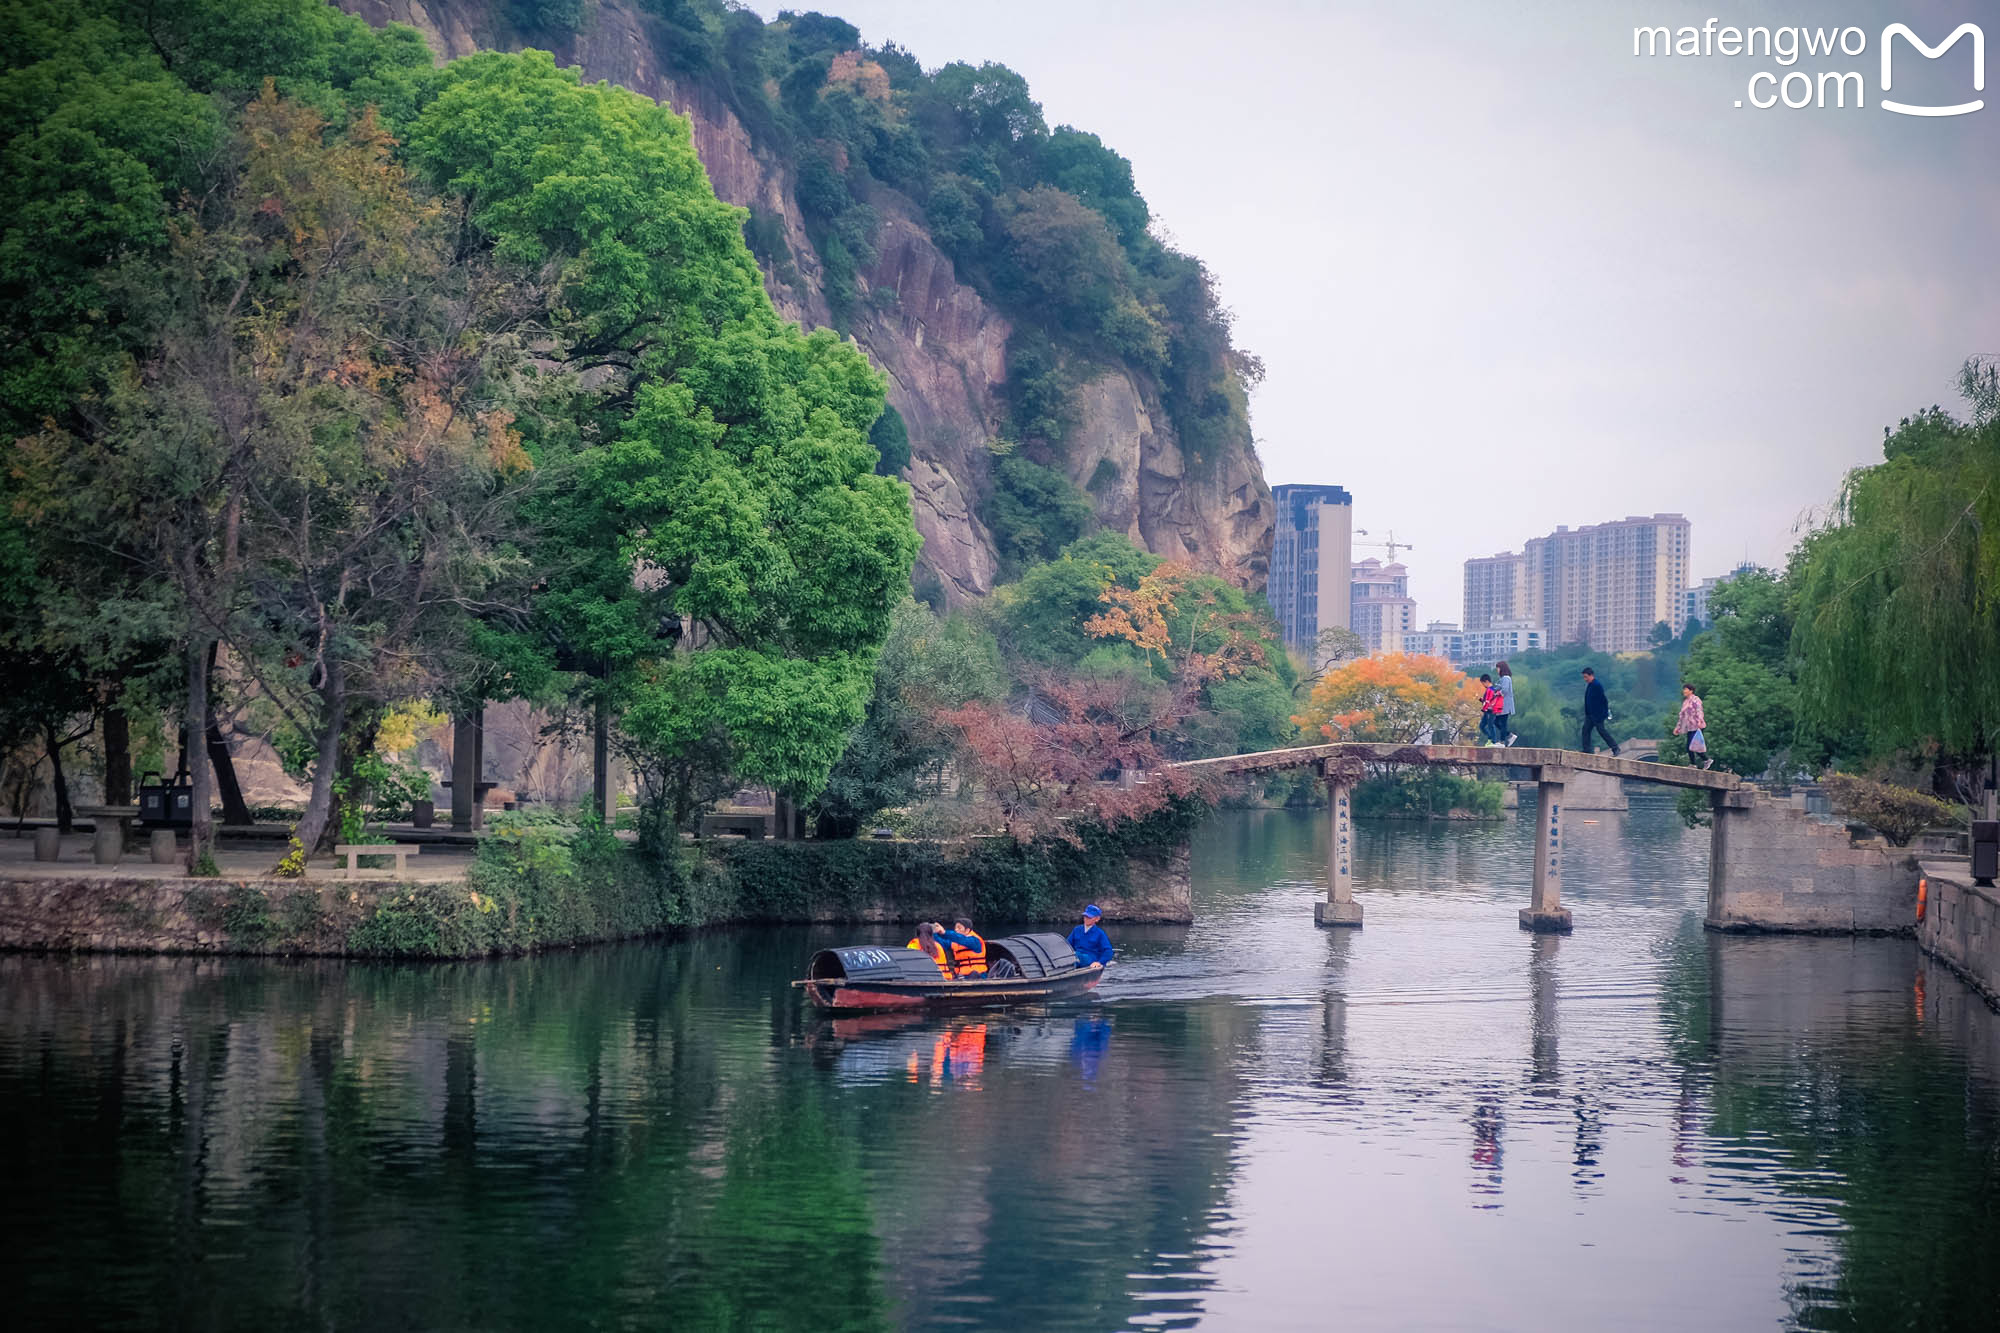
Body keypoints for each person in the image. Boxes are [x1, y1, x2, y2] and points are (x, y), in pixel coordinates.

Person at [907, 921, 985, 977]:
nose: (956, 930)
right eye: (955, 928)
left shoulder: (975, 941)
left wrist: (944, 933)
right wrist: (933, 933)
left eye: (959, 928)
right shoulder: (955, 943)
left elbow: (961, 939)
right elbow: (942, 943)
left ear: (967, 930)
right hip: (961, 975)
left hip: (978, 975)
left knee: (973, 975)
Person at [1578, 667, 1619, 756]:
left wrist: (1602, 714)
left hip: (1597, 715)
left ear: (1591, 675)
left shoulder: (1597, 685)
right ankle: (1587, 750)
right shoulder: (1590, 685)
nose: (1585, 679)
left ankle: (1615, 748)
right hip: (1590, 715)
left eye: (1586, 677)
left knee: (1602, 731)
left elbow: (1604, 700)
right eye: (1584, 677)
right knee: (1585, 730)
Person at [1675, 683, 1712, 769]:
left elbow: (1699, 711)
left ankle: (1701, 761)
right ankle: (1701, 761)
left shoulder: (1696, 700)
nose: (1684, 691)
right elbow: (1682, 716)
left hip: (1697, 726)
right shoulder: (1685, 702)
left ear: (1691, 691)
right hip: (1690, 727)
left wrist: (1700, 721)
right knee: (1689, 747)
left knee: (1692, 746)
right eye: (1684, 689)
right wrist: (1678, 727)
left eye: (1686, 689)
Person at [1494, 660, 1517, 746]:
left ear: (1501, 668)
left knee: (1502, 723)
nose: (1497, 670)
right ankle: (1509, 735)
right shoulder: (1502, 679)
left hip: (1505, 705)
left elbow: (1504, 690)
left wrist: (1496, 694)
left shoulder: (1506, 678)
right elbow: (1498, 687)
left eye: (1498, 668)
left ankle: (1502, 741)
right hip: (1502, 705)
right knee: (1497, 722)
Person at [1477, 674, 1503, 745]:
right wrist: (1481, 700)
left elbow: (1490, 701)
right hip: (1487, 711)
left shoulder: (1491, 690)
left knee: (1490, 725)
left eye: (1483, 683)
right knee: (1482, 726)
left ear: (1487, 681)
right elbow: (1487, 701)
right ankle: (1490, 737)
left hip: (1491, 711)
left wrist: (1485, 708)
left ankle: (1493, 741)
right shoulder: (1490, 690)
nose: (1483, 685)